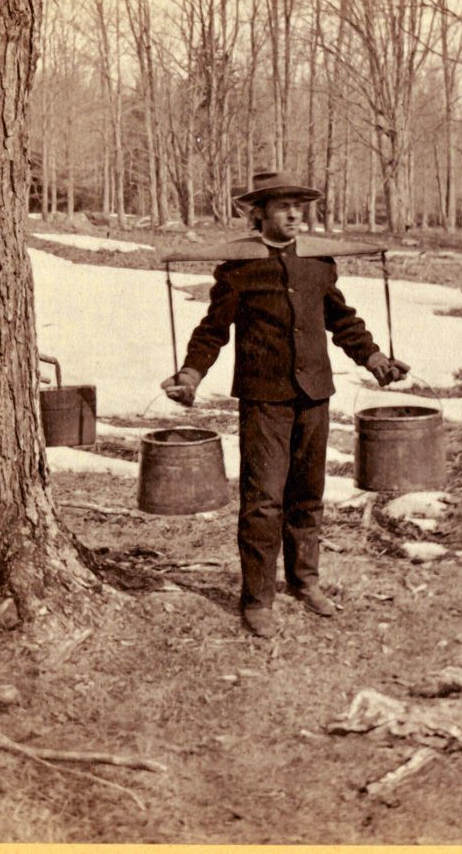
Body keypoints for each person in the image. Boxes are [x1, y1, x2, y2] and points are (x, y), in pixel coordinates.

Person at [161, 169, 409, 638]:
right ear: (259, 215)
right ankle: (257, 598)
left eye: (300, 206)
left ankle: (305, 580)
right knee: (263, 501)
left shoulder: (318, 262)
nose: (294, 214)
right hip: (264, 399)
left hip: (315, 394)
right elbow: (213, 329)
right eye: (282, 207)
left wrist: (373, 357)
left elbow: (342, 319)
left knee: (307, 496)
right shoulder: (239, 267)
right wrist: (191, 373)